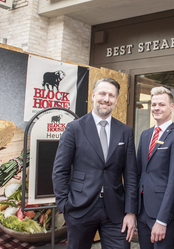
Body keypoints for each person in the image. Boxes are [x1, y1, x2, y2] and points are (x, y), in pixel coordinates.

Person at [52, 78, 137, 249]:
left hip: (116, 211)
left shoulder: (125, 131)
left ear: (116, 100)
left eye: (111, 95)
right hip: (80, 207)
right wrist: (65, 205)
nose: (106, 99)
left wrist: (131, 212)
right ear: (93, 96)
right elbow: (60, 170)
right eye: (102, 94)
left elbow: (131, 175)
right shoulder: (74, 128)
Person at [137, 87, 174, 249]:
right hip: (142, 210)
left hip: (161, 213)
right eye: (153, 104)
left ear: (171, 107)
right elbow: (139, 173)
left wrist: (162, 219)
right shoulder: (145, 134)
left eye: (161, 104)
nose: (156, 108)